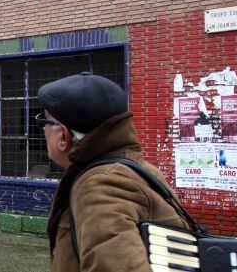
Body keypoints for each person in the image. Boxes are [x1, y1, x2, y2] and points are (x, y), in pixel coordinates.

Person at [36, 72, 188, 271]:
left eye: (44, 122)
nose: (43, 130)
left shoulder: (100, 186)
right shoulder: (138, 168)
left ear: (63, 136)